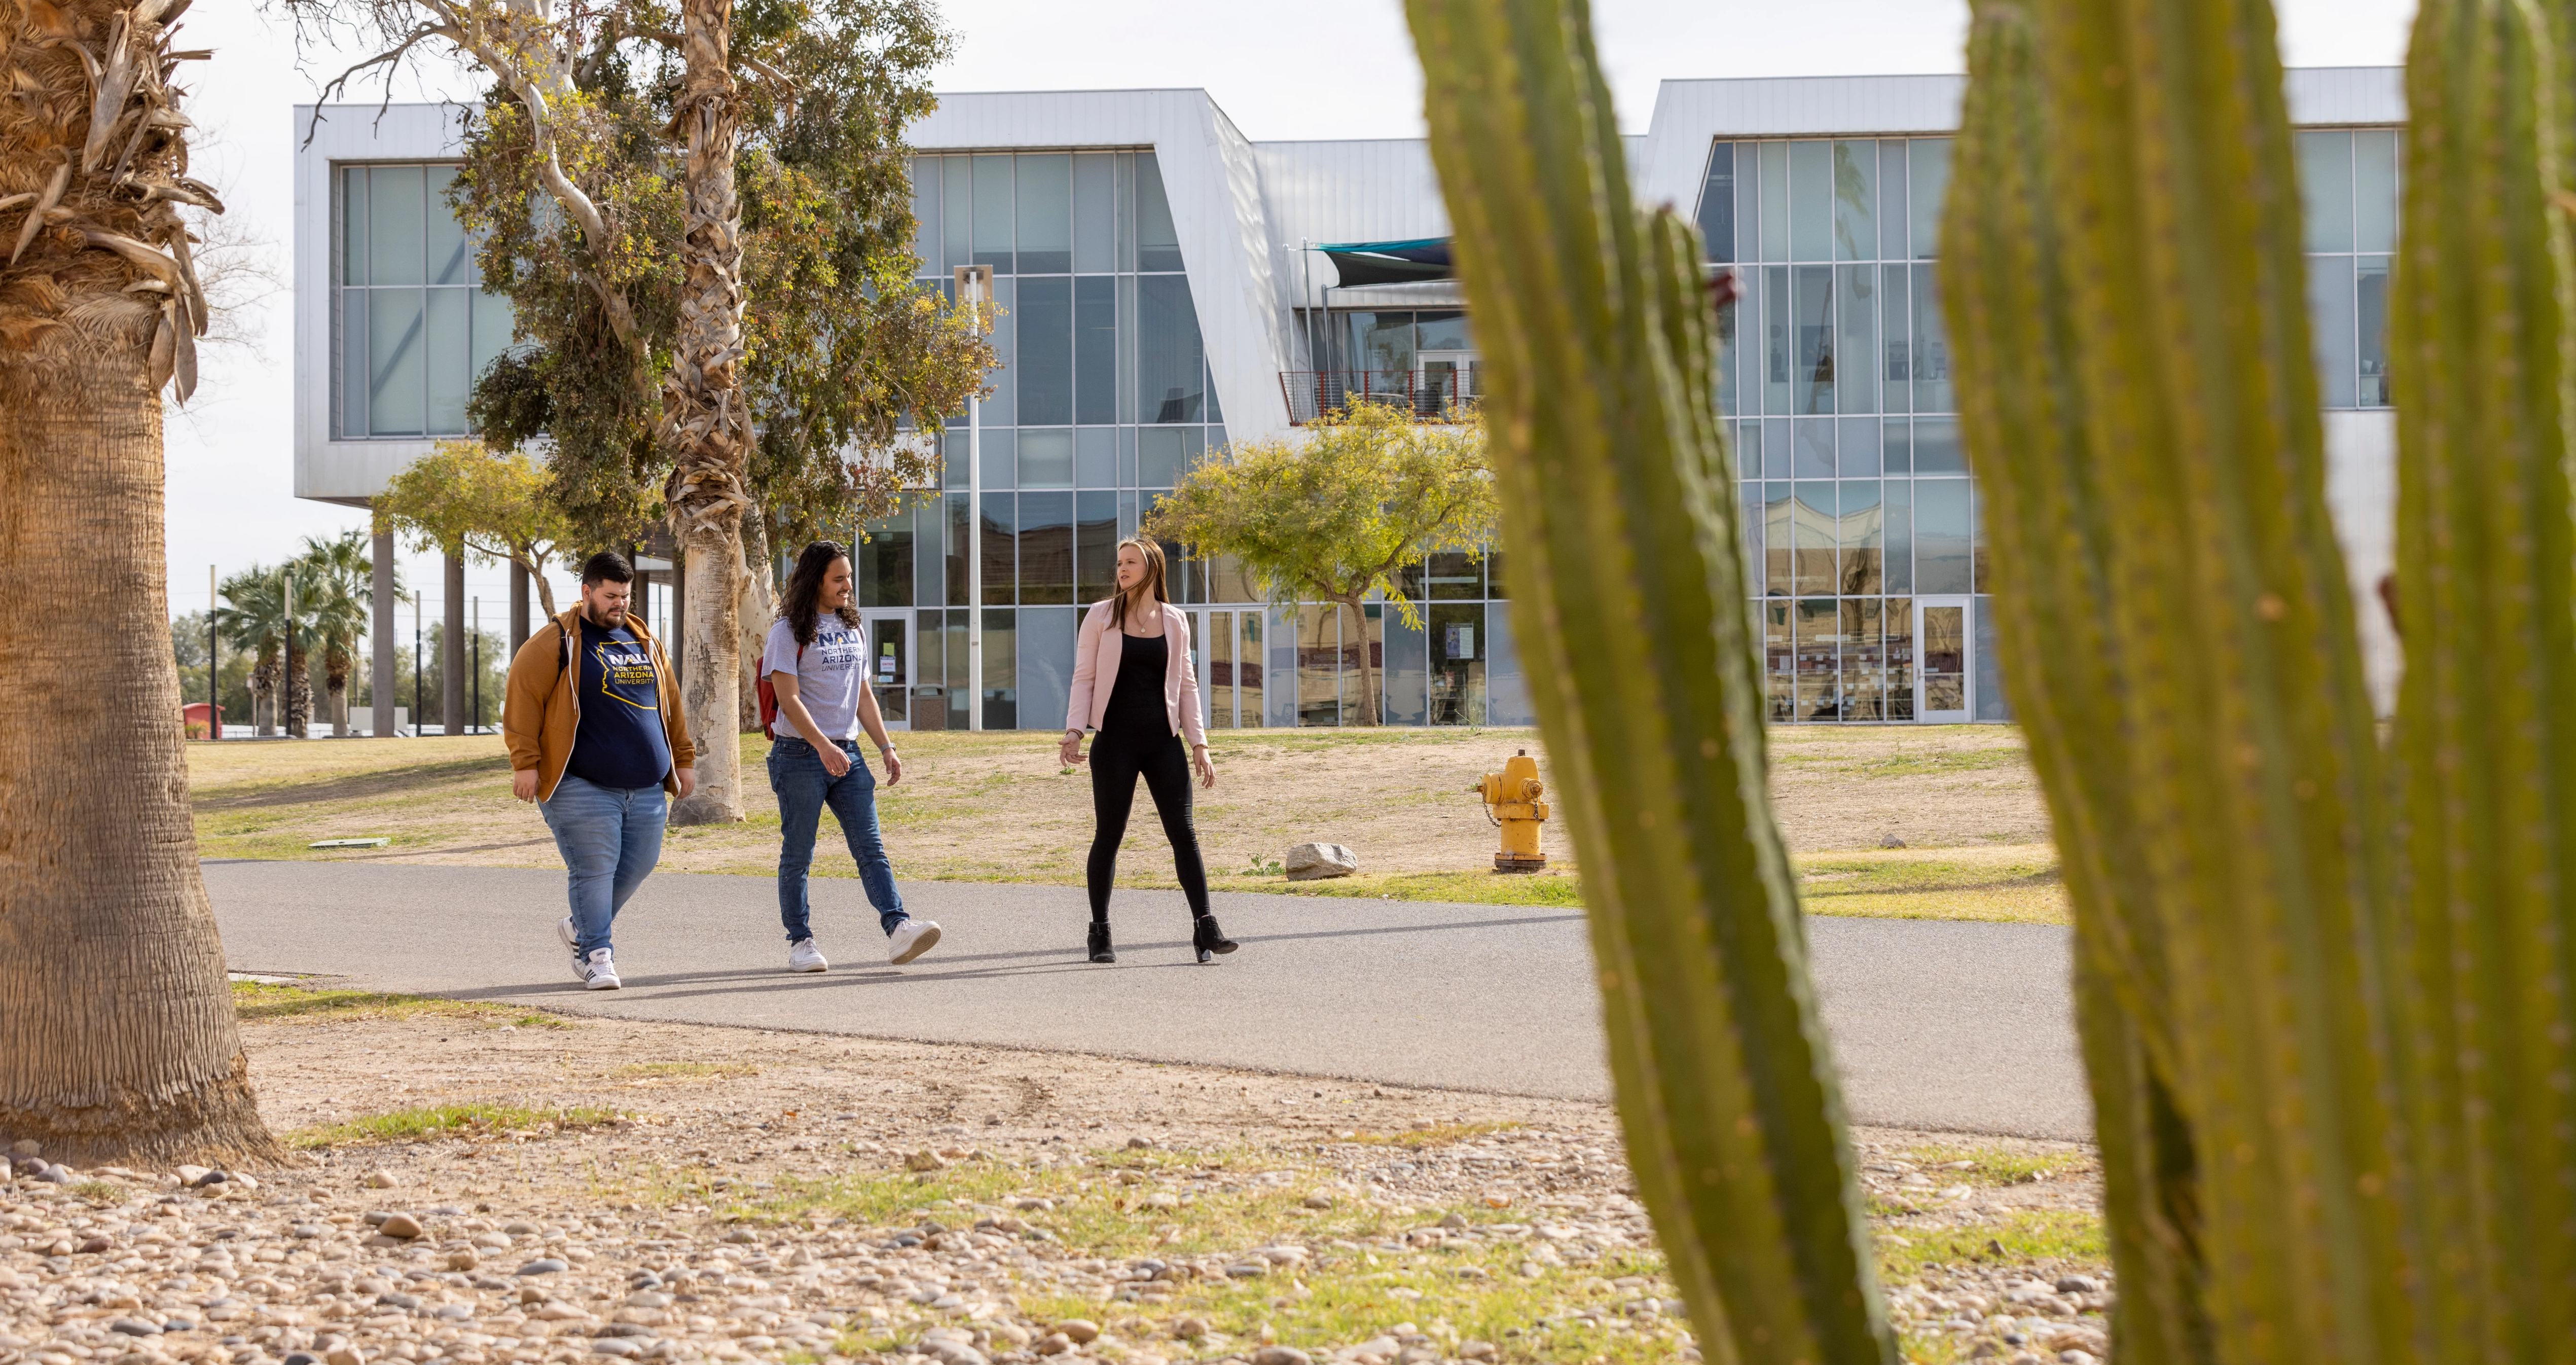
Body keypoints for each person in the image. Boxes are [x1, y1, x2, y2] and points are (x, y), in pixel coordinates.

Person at [503, 551, 697, 991]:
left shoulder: (643, 640)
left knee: (641, 863)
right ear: (587, 592)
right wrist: (526, 764)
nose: (620, 605)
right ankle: (596, 956)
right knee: (594, 868)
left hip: (645, 784)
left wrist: (683, 759)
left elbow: (671, 705)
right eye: (611, 596)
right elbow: (521, 702)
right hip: (578, 783)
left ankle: (582, 925)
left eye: (625, 596)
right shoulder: (555, 642)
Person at [764, 542, 941, 969]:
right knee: (799, 853)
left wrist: (886, 747)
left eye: (849, 577)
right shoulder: (787, 631)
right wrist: (822, 745)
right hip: (800, 755)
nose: (848, 586)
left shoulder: (852, 627)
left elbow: (863, 695)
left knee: (871, 848)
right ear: (815, 582)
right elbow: (787, 699)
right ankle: (801, 943)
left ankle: (898, 928)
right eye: (838, 579)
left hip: (849, 754)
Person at [1060, 538, 1238, 964]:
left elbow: (1187, 685)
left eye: (1130, 563)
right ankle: (1099, 933)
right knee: (1109, 836)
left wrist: (1200, 744)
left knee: (1184, 835)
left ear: (1152, 568)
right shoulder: (1101, 616)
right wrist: (1073, 731)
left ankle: (1205, 928)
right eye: (1118, 562)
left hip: (1163, 743)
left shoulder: (1175, 620)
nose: (1121, 569)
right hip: (1115, 743)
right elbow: (1083, 677)